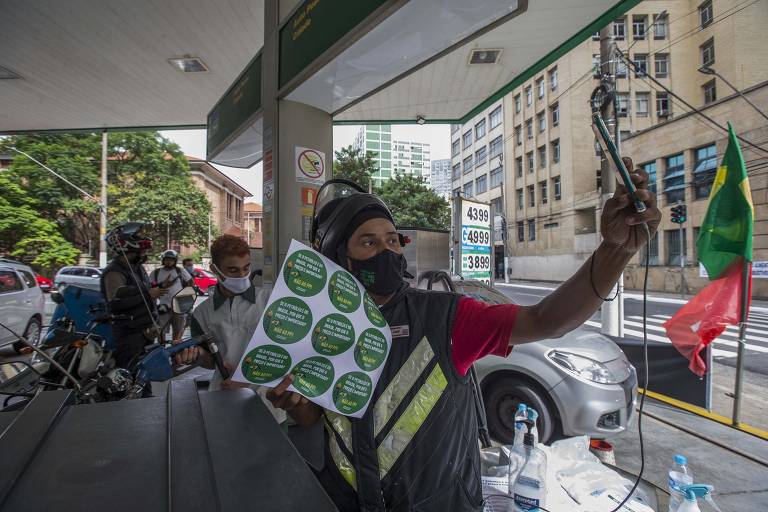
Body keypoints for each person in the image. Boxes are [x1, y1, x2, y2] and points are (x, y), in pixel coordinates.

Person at [266, 164, 661, 512]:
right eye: (369, 242)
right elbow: (318, 417)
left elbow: (547, 319)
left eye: (392, 240)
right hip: (343, 501)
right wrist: (295, 404)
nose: (387, 250)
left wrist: (614, 251)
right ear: (340, 258)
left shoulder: (446, 317)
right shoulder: (322, 329)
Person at [174, 235, 286, 423]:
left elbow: (287, 350)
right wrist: (195, 355)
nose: (242, 275)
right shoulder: (203, 312)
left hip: (269, 404)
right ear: (214, 270)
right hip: (223, 397)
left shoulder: (270, 301)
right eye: (233, 270)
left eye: (246, 268)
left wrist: (247, 382)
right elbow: (210, 361)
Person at [101, 222, 165, 369]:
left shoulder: (137, 269)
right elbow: (116, 303)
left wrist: (157, 289)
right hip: (129, 334)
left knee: (145, 376)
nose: (144, 254)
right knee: (129, 374)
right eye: (141, 251)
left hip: (145, 333)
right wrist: (149, 295)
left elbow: (140, 292)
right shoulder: (114, 272)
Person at [151, 250, 193, 342]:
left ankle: (175, 352)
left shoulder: (180, 271)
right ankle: (161, 349)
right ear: (163, 260)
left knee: (178, 331)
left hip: (178, 306)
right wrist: (160, 286)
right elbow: (151, 287)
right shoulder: (156, 272)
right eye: (167, 259)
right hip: (162, 307)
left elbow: (190, 282)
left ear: (175, 260)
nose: (169, 261)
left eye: (171, 259)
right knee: (161, 331)